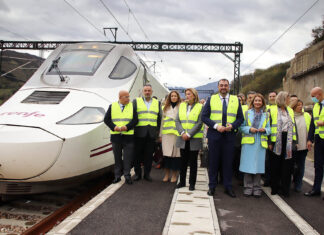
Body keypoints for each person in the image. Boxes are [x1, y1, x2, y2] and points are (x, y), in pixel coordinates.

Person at [202, 78, 244, 197]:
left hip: (229, 136)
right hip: (215, 135)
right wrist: (216, 126)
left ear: (229, 87)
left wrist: (233, 126)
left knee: (228, 163)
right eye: (221, 85)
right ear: (218, 87)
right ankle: (212, 187)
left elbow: (240, 118)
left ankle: (228, 187)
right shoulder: (211, 99)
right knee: (213, 162)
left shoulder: (236, 100)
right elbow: (204, 117)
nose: (223, 87)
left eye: (226, 85)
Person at [239, 94, 270, 197]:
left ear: (262, 103)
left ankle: (257, 188)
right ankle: (248, 187)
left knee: (258, 167)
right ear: (252, 102)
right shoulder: (247, 113)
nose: (257, 102)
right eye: (255, 100)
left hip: (260, 144)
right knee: (248, 166)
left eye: (259, 101)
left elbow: (270, 129)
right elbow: (241, 127)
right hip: (248, 143)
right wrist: (249, 129)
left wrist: (265, 130)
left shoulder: (266, 115)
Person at [104, 90, 138, 185]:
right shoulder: (112, 106)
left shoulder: (132, 106)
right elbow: (106, 119)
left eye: (128, 96)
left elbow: (135, 120)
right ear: (120, 97)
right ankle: (117, 176)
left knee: (127, 158)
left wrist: (127, 127)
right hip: (116, 137)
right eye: (126, 97)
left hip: (128, 137)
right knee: (117, 158)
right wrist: (113, 127)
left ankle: (127, 176)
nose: (128, 98)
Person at [269, 91, 297, 197]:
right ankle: (274, 188)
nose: (290, 100)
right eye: (288, 98)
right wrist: (269, 142)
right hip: (276, 140)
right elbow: (268, 125)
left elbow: (294, 127)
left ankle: (286, 189)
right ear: (283, 99)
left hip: (288, 141)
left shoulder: (290, 110)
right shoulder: (272, 110)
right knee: (275, 165)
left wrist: (295, 141)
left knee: (287, 166)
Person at [176, 88, 203, 191]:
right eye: (186, 94)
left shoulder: (200, 107)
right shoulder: (182, 105)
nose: (187, 96)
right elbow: (177, 120)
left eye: (189, 94)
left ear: (194, 95)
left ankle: (192, 183)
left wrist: (189, 134)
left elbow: (199, 123)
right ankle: (182, 182)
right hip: (182, 137)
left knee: (193, 162)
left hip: (194, 138)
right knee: (182, 161)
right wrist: (182, 132)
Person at [133, 84, 162, 182]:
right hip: (139, 133)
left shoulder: (157, 103)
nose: (147, 92)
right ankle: (137, 174)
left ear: (152, 92)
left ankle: (147, 174)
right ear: (142, 92)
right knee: (137, 155)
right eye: (145, 90)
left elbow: (159, 118)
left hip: (151, 134)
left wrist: (157, 131)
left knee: (149, 155)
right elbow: (132, 116)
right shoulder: (136, 102)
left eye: (149, 90)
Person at [305, 87, 324, 198]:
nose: (312, 98)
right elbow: (313, 124)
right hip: (319, 140)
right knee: (318, 165)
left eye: (313, 96)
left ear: (319, 94)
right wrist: (310, 139)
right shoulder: (316, 106)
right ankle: (316, 189)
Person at [160, 91, 181, 182]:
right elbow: (162, 123)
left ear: (178, 97)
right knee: (166, 156)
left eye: (175, 96)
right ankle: (166, 174)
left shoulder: (181, 107)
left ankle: (174, 175)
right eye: (172, 96)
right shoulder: (164, 108)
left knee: (176, 157)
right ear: (169, 97)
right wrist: (160, 135)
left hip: (177, 135)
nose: (173, 97)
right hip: (166, 135)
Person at [291, 99, 311, 192]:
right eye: (298, 105)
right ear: (294, 106)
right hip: (293, 146)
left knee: (301, 165)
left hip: (304, 145)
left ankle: (298, 184)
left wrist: (310, 140)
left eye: (301, 105)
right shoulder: (290, 116)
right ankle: (293, 179)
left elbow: (311, 129)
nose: (300, 107)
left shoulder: (307, 116)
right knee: (293, 166)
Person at [264, 90, 277, 187]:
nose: (272, 98)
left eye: (274, 96)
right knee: (267, 162)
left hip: (278, 139)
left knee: (275, 162)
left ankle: (275, 181)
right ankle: (267, 180)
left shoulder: (281, 108)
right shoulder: (266, 109)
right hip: (269, 139)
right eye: (270, 96)